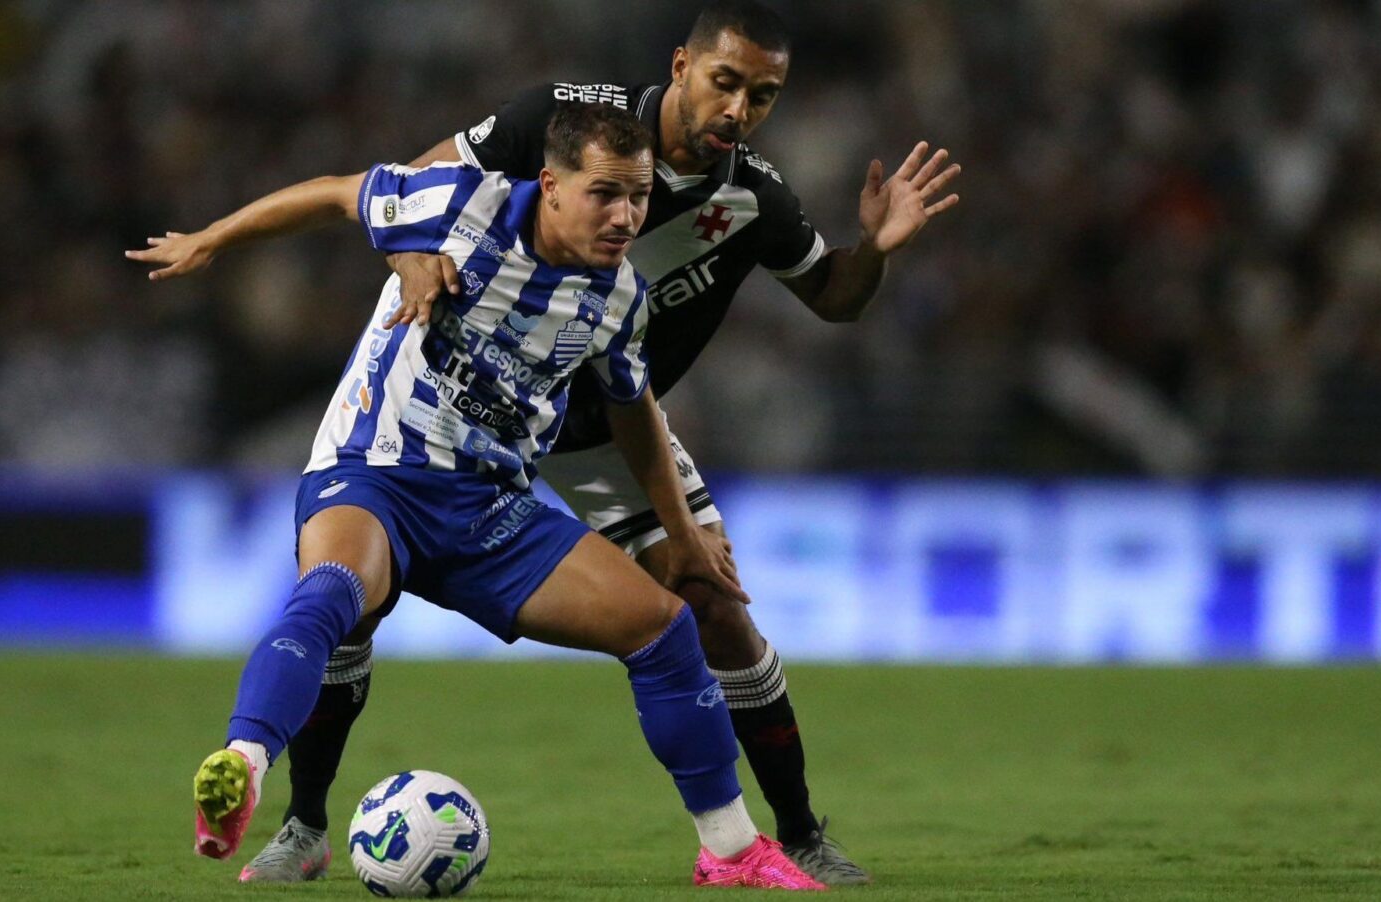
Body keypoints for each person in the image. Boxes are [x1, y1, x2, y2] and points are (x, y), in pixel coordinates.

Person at [250, 0, 961, 886]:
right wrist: (408, 255)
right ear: (682, 65)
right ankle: (304, 824)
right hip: (470, 403)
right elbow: (412, 184)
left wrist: (877, 249)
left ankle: (797, 833)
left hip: (611, 425)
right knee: (356, 598)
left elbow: (835, 296)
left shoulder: (755, 198)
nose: (738, 109)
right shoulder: (560, 120)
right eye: (725, 82)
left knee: (715, 609)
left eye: (762, 95)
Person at [128, 103, 826, 891]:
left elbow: (633, 408)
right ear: (551, 186)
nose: (625, 216)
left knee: (663, 628)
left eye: (638, 197)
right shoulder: (463, 201)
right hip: (376, 470)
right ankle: (248, 768)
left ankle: (730, 851)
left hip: (490, 506)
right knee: (333, 596)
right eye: (605, 194)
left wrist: (682, 532)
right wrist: (212, 239)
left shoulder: (620, 296)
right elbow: (337, 193)